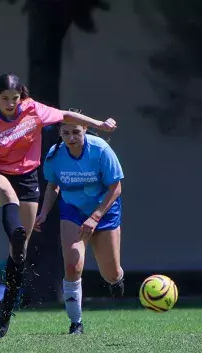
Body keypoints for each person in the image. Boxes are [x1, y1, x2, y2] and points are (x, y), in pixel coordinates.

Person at [0, 74, 117, 338]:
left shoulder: (33, 109)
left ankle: (6, 308)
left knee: (19, 253)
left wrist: (98, 124)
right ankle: (15, 231)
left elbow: (67, 115)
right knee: (8, 198)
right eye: (4, 99)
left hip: (27, 177)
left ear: (22, 96)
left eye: (15, 98)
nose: (10, 104)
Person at [34, 109, 125, 335]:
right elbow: (52, 187)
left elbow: (116, 187)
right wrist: (43, 213)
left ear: (86, 130)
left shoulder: (101, 150)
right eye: (66, 133)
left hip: (103, 211)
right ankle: (76, 322)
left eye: (76, 132)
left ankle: (117, 280)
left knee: (110, 273)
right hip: (72, 211)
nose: (71, 137)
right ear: (60, 133)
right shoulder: (55, 155)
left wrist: (95, 217)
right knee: (73, 265)